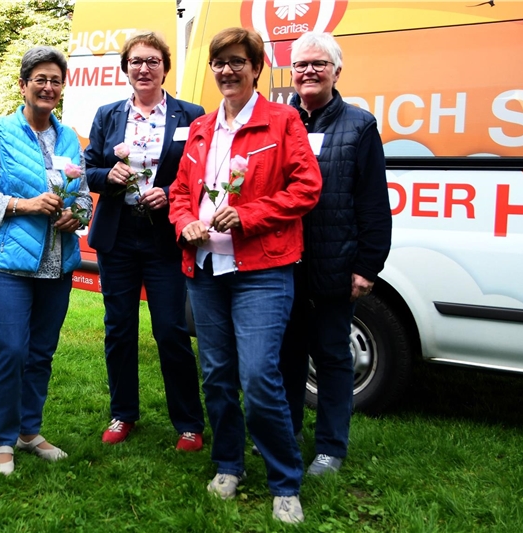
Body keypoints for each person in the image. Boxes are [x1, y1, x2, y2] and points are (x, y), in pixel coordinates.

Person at [169, 28, 322, 524]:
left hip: (262, 269)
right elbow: (179, 193)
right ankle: (228, 464)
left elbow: (306, 188)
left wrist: (250, 215)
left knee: (258, 377)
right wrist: (184, 222)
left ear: (256, 67)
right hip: (207, 268)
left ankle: (284, 480)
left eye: (237, 62)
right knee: (216, 376)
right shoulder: (202, 128)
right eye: (219, 63)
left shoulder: (283, 120)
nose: (227, 71)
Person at [0, 46, 92, 476]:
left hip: (57, 264)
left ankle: (28, 431)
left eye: (55, 80)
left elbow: (85, 198)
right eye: (40, 78)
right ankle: (2, 440)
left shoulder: (71, 137)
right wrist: (24, 204)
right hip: (7, 264)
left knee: (41, 352)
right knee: (11, 349)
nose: (48, 86)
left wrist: (80, 213)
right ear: (23, 85)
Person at [84, 31, 206, 450]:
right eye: (136, 61)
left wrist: (170, 193)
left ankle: (189, 421)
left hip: (165, 236)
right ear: (126, 68)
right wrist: (108, 177)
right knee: (119, 327)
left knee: (171, 328)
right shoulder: (108, 114)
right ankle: (123, 413)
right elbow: (90, 168)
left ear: (165, 68)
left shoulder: (192, 115)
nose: (144, 68)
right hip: (118, 235)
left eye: (152, 61)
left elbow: (201, 175)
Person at [279, 32, 392, 476]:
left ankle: (330, 448)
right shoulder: (277, 121)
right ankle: (286, 433)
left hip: (335, 264)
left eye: (319, 64)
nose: (309, 71)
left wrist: (367, 266)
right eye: (302, 64)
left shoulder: (359, 126)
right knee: (285, 357)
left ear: (336, 72)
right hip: (283, 263)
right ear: (291, 72)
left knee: (331, 357)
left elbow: (373, 203)